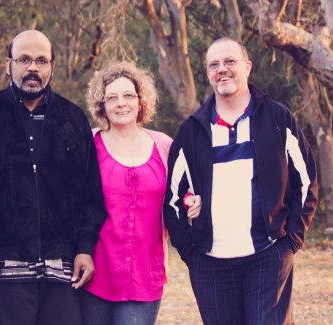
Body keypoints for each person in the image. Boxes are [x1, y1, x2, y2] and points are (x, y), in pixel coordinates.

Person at [163, 38, 319, 325]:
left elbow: (306, 180)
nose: (222, 70)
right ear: (208, 73)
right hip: (210, 265)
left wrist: (292, 239)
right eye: (214, 65)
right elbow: (173, 198)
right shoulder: (192, 131)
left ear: (247, 67)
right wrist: (190, 251)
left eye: (229, 62)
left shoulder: (276, 118)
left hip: (268, 255)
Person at [0, 30, 106, 325]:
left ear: (53, 66)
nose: (32, 68)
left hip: (61, 265)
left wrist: (85, 249)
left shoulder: (72, 118)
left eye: (40, 60)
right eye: (24, 59)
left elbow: (89, 192)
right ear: (8, 64)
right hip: (4, 265)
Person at [79, 61, 201, 325]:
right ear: (102, 105)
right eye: (112, 97)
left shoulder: (164, 145)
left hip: (145, 274)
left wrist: (191, 200)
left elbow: (184, 190)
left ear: (140, 101)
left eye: (128, 96)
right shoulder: (87, 144)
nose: (121, 103)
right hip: (95, 271)